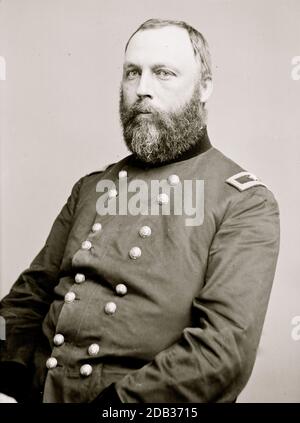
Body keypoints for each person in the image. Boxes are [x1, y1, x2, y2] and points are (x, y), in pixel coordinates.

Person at [0, 18, 280, 403]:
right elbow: (26, 299)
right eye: (133, 73)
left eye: (163, 73)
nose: (142, 90)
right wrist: (7, 379)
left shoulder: (245, 201)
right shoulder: (91, 187)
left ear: (205, 88)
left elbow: (223, 352)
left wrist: (117, 407)